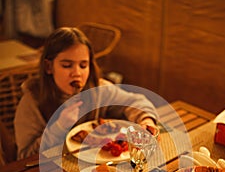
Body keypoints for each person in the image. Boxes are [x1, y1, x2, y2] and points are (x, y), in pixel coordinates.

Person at [14, 27, 159, 159]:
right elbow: (25, 156)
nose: (77, 73)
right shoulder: (31, 101)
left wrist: (146, 120)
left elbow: (136, 101)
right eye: (67, 65)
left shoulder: (99, 90)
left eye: (83, 65)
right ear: (49, 67)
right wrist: (58, 127)